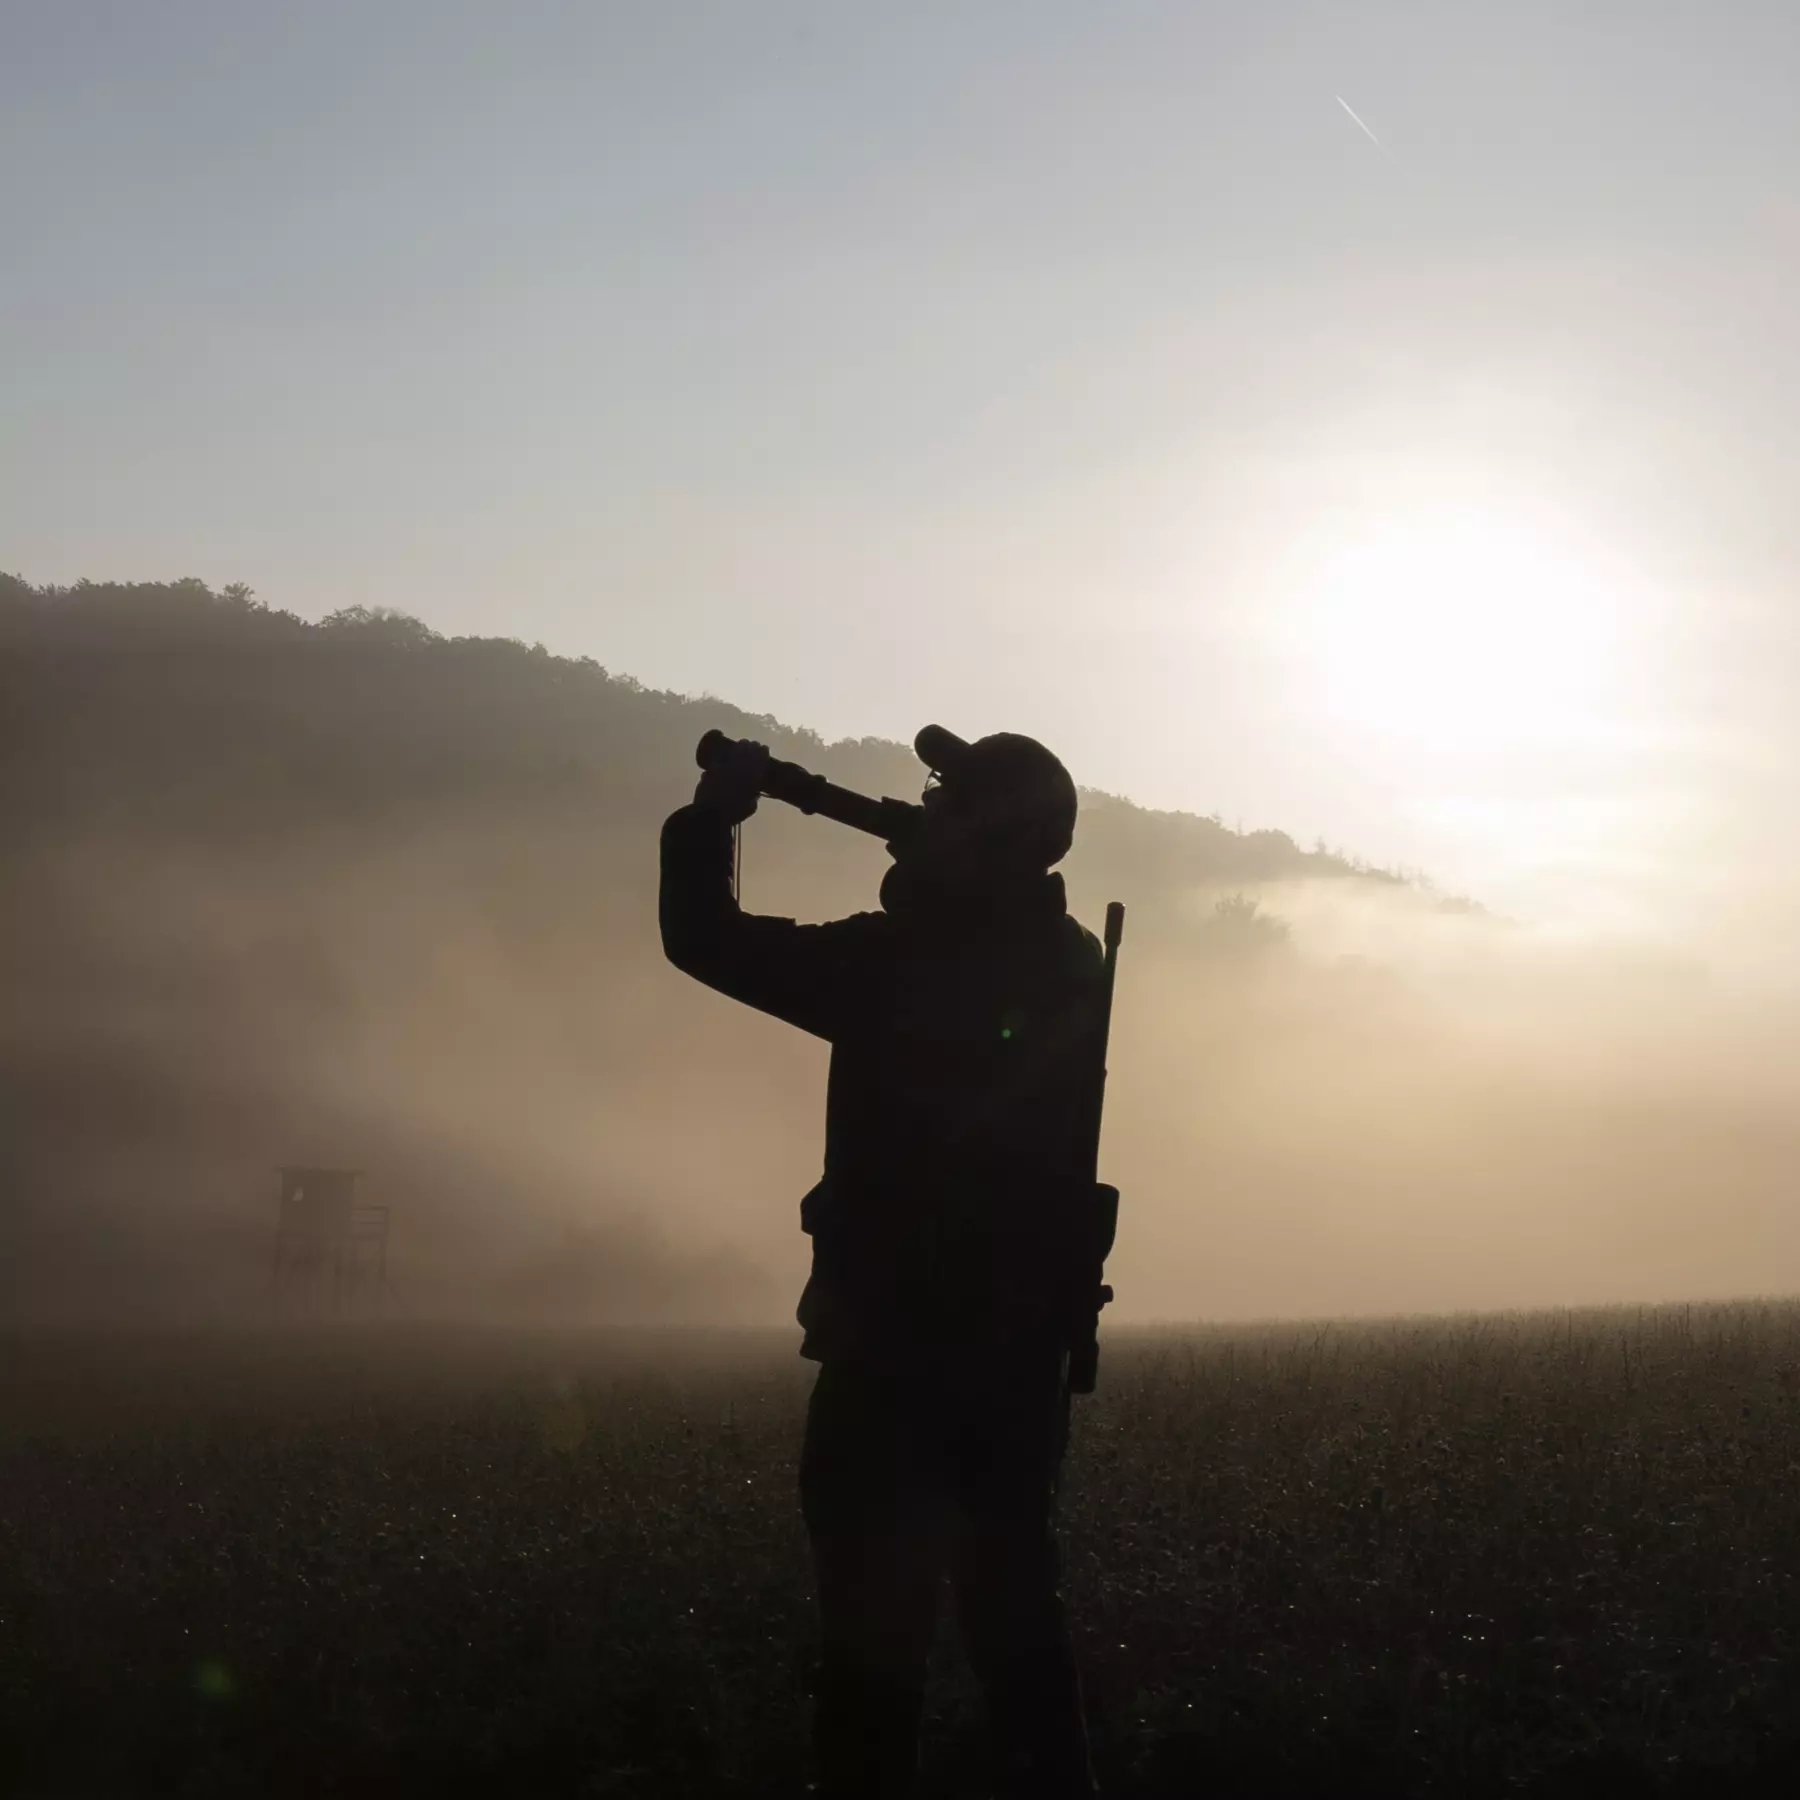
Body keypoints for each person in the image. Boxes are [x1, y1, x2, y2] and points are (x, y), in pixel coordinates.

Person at [660, 726, 1105, 1800]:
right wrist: (937, 861)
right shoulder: (1070, 959)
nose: (919, 815)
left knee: (870, 1666)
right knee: (1019, 1643)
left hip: (895, 1363)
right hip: (1015, 1370)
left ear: (986, 841)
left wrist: (713, 817)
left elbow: (704, 939)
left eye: (943, 805)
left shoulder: (894, 966)